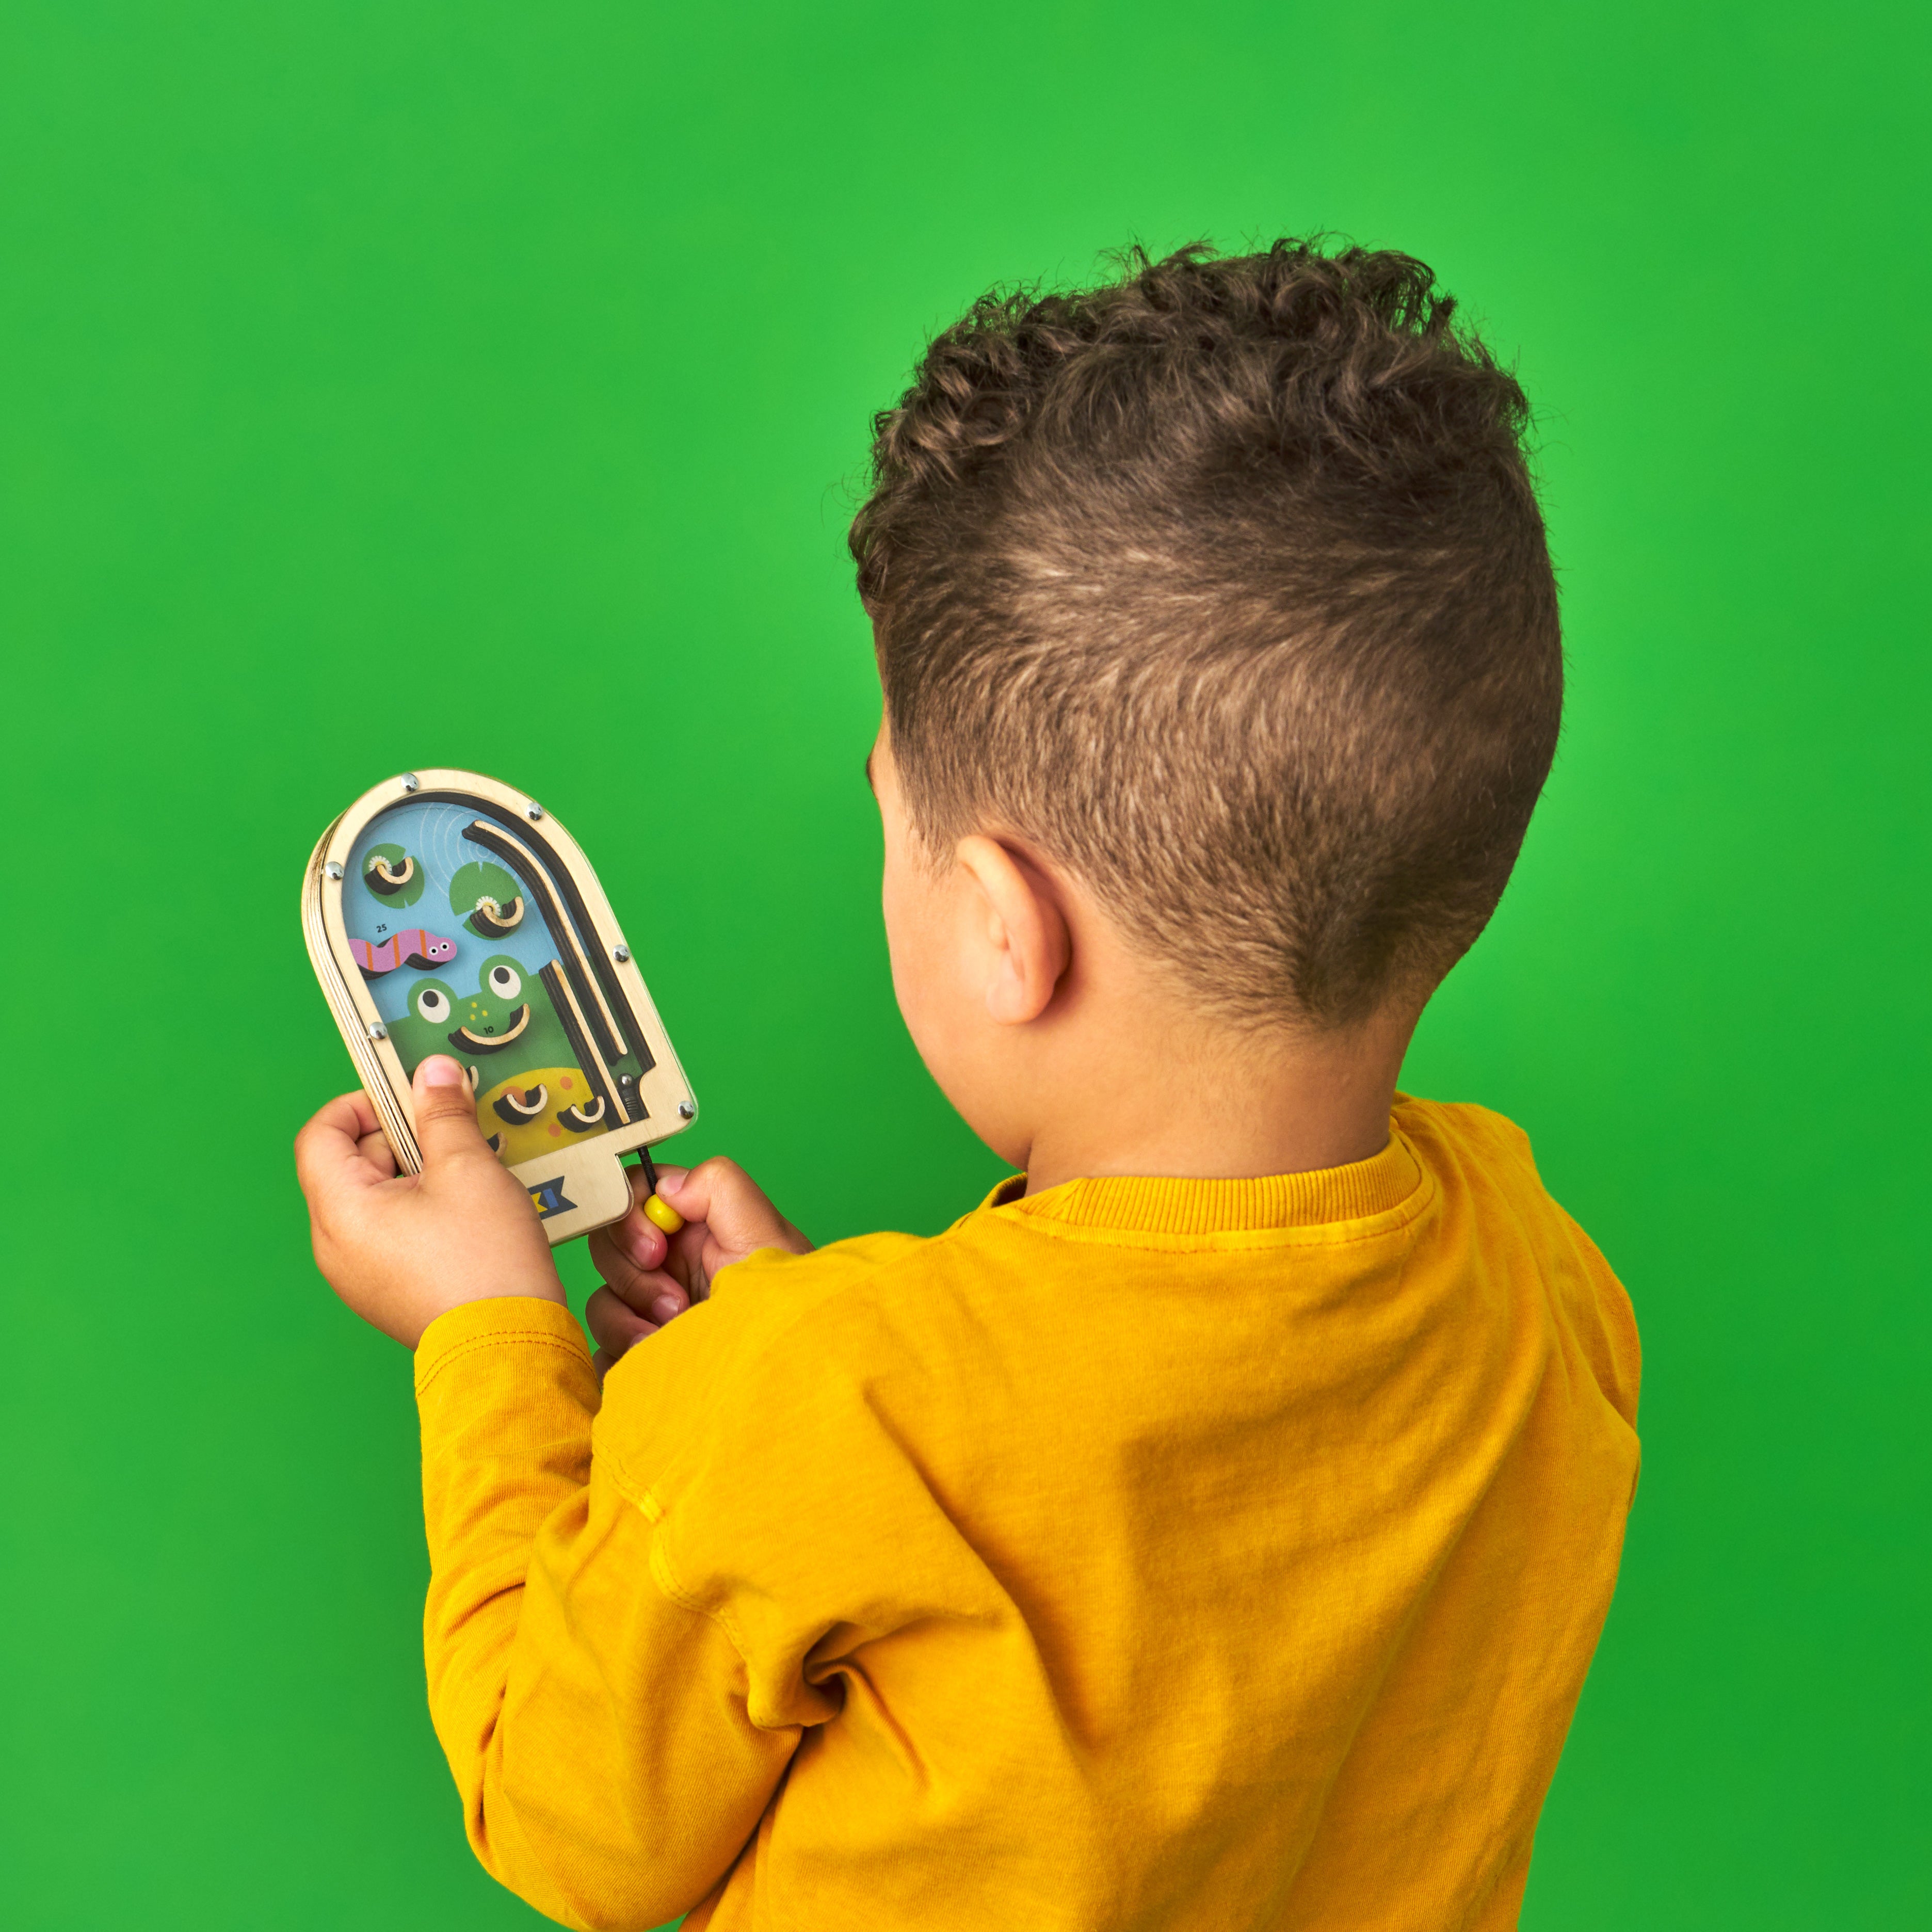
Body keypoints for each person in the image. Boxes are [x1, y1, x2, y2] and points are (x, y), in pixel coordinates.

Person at [296, 238, 1640, 1931]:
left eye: (892, 821)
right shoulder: (1544, 1281)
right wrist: (790, 1353)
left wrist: (491, 1343)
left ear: (1007, 926)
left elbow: (562, 1813)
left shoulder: (834, 1404)